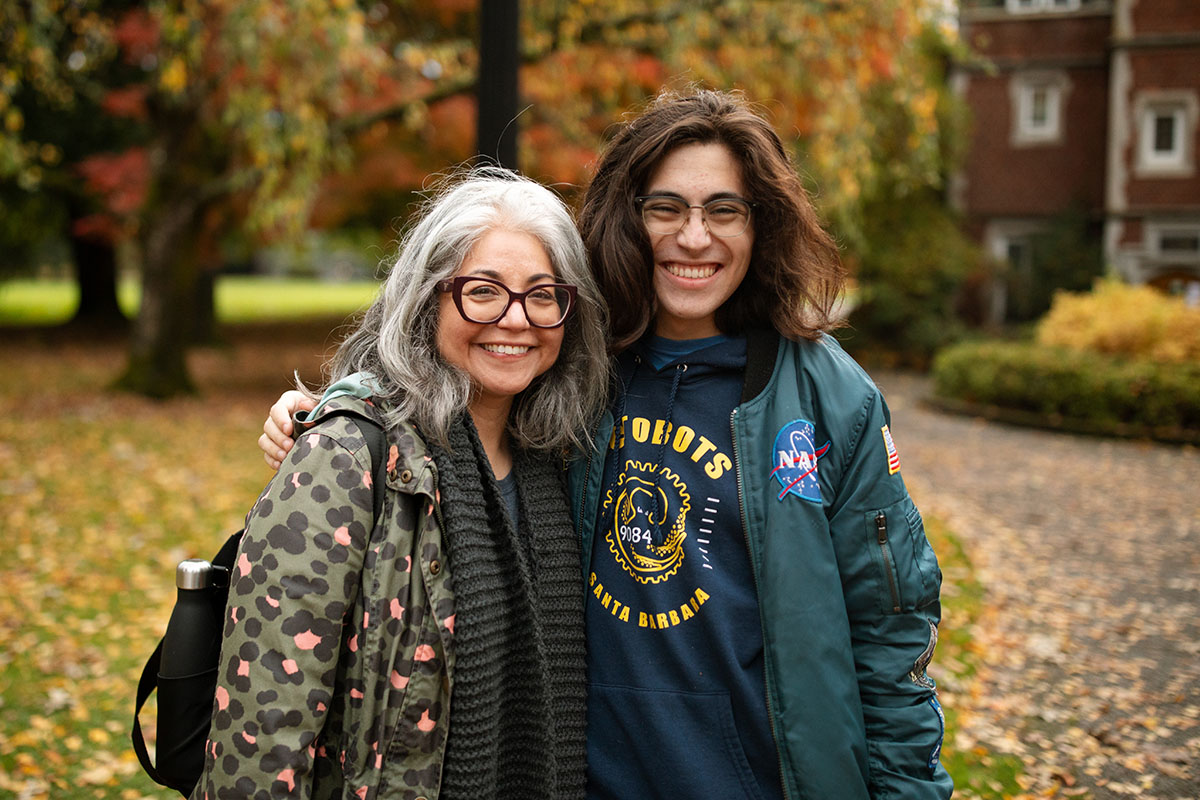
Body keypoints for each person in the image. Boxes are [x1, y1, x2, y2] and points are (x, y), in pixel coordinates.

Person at [262, 89, 953, 800]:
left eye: (724, 209)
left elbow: (892, 632)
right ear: (629, 218)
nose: (694, 237)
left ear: (760, 226)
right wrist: (340, 421)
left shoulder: (829, 399)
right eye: (666, 208)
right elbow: (442, 403)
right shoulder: (568, 369)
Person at [199, 168, 609, 800]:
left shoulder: (559, 460)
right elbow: (261, 731)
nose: (515, 319)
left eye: (544, 294)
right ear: (428, 300)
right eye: (482, 291)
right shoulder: (347, 455)